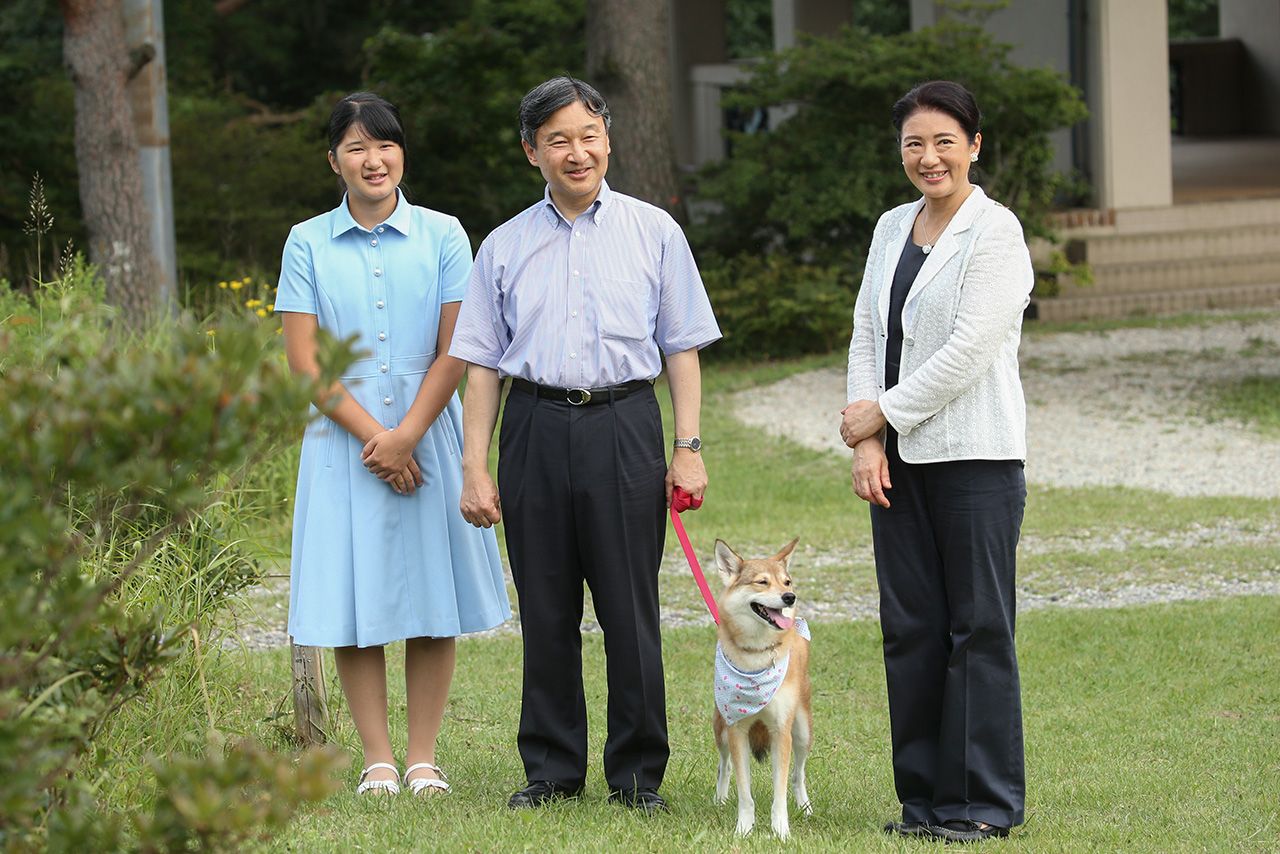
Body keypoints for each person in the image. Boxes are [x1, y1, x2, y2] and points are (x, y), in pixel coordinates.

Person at [450, 76, 720, 815]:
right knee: (544, 605)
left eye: (589, 135)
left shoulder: (653, 231)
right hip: (533, 429)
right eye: (559, 139)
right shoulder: (503, 246)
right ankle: (551, 770)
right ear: (531, 151)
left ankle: (638, 776)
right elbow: (480, 368)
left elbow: (683, 348)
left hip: (625, 424)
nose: (578, 152)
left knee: (630, 608)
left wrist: (687, 444)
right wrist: (474, 466)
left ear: (609, 137)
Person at [275, 92, 510, 798]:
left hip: (428, 432)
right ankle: (378, 758)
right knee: (356, 596)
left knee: (431, 594)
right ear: (333, 162)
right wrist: (378, 440)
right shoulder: (306, 241)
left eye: (383, 145)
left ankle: (422, 757)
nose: (372, 159)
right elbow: (306, 363)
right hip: (342, 442)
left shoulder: (443, 234)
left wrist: (407, 435)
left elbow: (458, 348)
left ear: (401, 153)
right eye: (355, 147)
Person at [840, 80, 1033, 843]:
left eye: (945, 142)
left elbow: (969, 351)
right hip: (898, 463)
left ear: (974, 146)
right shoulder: (892, 226)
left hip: (977, 459)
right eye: (915, 143)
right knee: (911, 629)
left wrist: (883, 411)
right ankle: (922, 802)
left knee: (978, 630)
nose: (929, 157)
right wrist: (867, 439)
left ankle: (981, 804)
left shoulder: (997, 232)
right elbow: (866, 331)